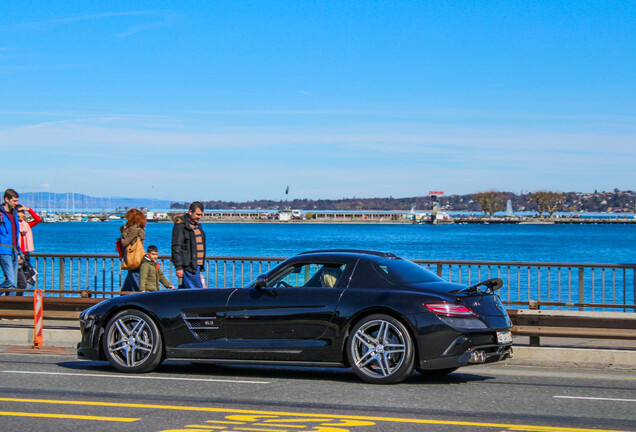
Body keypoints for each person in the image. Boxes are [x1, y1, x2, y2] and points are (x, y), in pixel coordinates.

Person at [171, 201, 206, 289]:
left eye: (201, 215)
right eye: (198, 214)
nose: (199, 217)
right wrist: (178, 267)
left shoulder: (197, 226)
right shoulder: (181, 225)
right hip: (189, 266)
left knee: (185, 294)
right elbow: (176, 246)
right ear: (190, 212)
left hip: (196, 266)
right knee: (197, 295)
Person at [0, 189, 21, 295]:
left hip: (14, 251)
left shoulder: (14, 214)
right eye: (14, 201)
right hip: (3, 250)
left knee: (13, 285)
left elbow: (16, 234)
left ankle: (9, 308)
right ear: (7, 199)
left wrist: (19, 253)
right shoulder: (0, 214)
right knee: (11, 280)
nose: (16, 203)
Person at [16, 205, 42, 292]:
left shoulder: (26, 225)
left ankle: (17, 300)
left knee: (24, 280)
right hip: (17, 254)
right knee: (20, 282)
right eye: (20, 212)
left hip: (26, 254)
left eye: (23, 213)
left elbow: (38, 219)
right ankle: (14, 301)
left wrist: (29, 209)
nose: (23, 215)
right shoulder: (13, 226)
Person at [120, 208, 146, 292]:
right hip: (138, 260)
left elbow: (124, 242)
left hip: (135, 261)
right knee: (127, 289)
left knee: (137, 287)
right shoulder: (140, 229)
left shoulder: (134, 230)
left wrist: (123, 231)